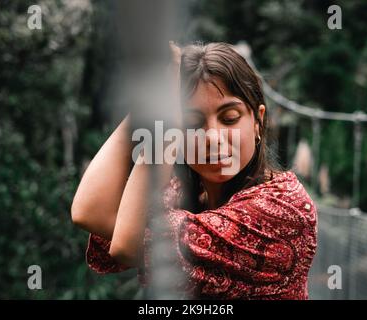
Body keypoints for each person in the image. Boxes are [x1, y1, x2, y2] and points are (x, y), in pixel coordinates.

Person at [71, 42, 317, 299]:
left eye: (230, 118)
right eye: (191, 122)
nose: (212, 137)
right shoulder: (179, 192)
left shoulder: (283, 208)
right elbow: (88, 212)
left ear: (258, 121)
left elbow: (126, 246)